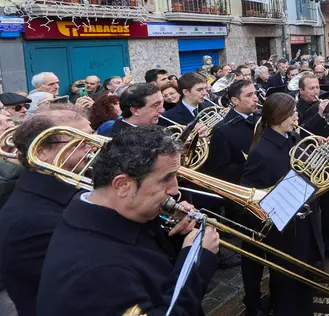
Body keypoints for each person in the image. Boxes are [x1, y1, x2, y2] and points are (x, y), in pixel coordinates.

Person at [36, 126, 219, 315]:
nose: (175, 190)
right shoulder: (98, 270)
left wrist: (175, 233)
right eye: (167, 178)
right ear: (123, 185)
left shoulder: (109, 211)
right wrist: (196, 259)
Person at [0, 105, 92, 316]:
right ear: (41, 152)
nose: (95, 147)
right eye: (80, 141)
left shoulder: (76, 185)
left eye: (92, 137)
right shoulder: (30, 222)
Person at [241, 93, 324, 316]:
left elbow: (306, 171)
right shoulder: (260, 152)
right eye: (293, 112)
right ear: (279, 117)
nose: (297, 116)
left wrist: (323, 155)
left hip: (304, 224)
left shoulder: (292, 137)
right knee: (288, 287)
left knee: (303, 281)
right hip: (285, 233)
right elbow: (250, 200)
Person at [296, 73, 329, 262]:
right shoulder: (297, 108)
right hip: (309, 167)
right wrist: (319, 114)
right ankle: (315, 251)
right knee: (312, 213)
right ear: (301, 91)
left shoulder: (325, 104)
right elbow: (301, 133)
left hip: (327, 164)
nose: (316, 91)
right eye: (311, 88)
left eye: (317, 87)